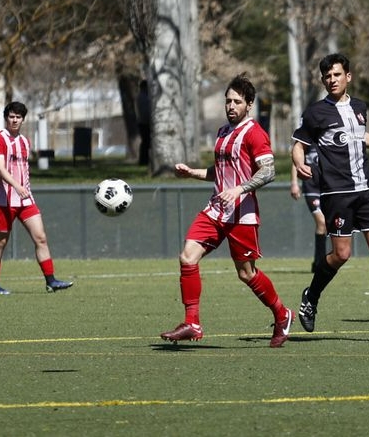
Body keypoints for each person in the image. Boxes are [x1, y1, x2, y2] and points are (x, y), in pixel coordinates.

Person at [160, 73, 294, 348]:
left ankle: (282, 314)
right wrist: (192, 173)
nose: (231, 106)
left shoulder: (255, 133)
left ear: (249, 104)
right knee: (187, 257)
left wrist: (240, 190)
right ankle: (192, 322)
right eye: (228, 101)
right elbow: (220, 173)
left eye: (237, 102)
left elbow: (268, 172)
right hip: (215, 210)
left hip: (241, 214)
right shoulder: (223, 132)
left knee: (246, 273)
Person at [292, 53, 369, 335]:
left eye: (336, 75)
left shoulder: (360, 107)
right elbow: (298, 143)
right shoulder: (315, 113)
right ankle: (311, 297)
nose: (331, 80)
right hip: (338, 193)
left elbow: (360, 135)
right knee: (341, 254)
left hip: (368, 188)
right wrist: (298, 161)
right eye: (327, 76)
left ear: (348, 76)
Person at [0, 101, 74, 295]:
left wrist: (24, 189)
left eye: (18, 117)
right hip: (4, 200)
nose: (14, 120)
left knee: (41, 238)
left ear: (23, 119)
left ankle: (51, 281)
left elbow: (24, 170)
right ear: (6, 117)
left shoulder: (25, 141)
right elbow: (0, 169)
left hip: (26, 200)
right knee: (0, 242)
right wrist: (17, 187)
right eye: (11, 116)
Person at [290, 144, 326, 273]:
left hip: (327, 187)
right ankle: (319, 263)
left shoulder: (328, 135)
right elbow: (296, 160)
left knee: (327, 224)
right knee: (321, 222)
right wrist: (294, 183)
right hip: (311, 187)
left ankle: (321, 262)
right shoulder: (306, 136)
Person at [137, 79, 151, 165]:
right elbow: (145, 111)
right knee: (146, 142)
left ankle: (145, 160)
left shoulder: (144, 96)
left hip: (144, 122)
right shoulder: (142, 97)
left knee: (146, 142)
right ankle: (143, 160)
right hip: (144, 123)